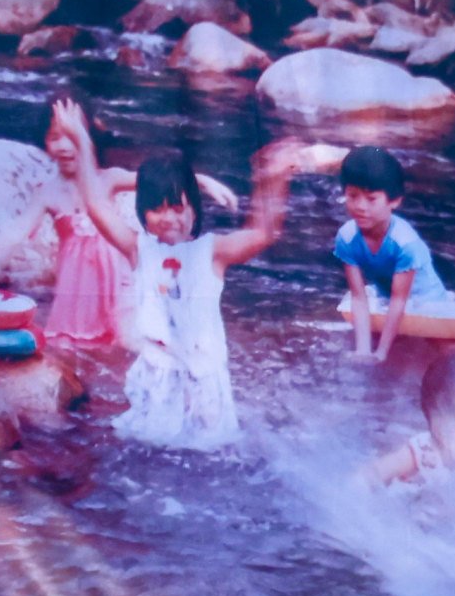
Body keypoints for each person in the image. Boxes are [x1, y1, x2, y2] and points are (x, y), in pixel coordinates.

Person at [56, 120, 288, 449]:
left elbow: (264, 233)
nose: (168, 219)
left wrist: (275, 177)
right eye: (157, 210)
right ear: (142, 213)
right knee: (151, 446)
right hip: (158, 370)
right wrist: (81, 140)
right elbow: (96, 203)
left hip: (202, 374)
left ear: (194, 209)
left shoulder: (213, 252)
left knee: (207, 449)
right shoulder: (138, 249)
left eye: (178, 208)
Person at [328, 146, 455, 361]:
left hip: (426, 299)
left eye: (371, 199)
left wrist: (381, 354)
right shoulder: (347, 237)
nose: (360, 206)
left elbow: (399, 301)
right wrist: (363, 350)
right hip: (387, 295)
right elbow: (358, 297)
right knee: (371, 340)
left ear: (394, 201)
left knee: (444, 348)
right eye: (352, 196)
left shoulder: (405, 243)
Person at [36, 97, 133, 411]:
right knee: (73, 357)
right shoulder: (49, 191)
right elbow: (12, 236)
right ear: (43, 141)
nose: (65, 146)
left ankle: (120, 407)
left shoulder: (109, 179)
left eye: (73, 135)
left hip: (114, 285)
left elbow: (156, 182)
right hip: (76, 294)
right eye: (55, 137)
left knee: (119, 355)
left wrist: (198, 181)